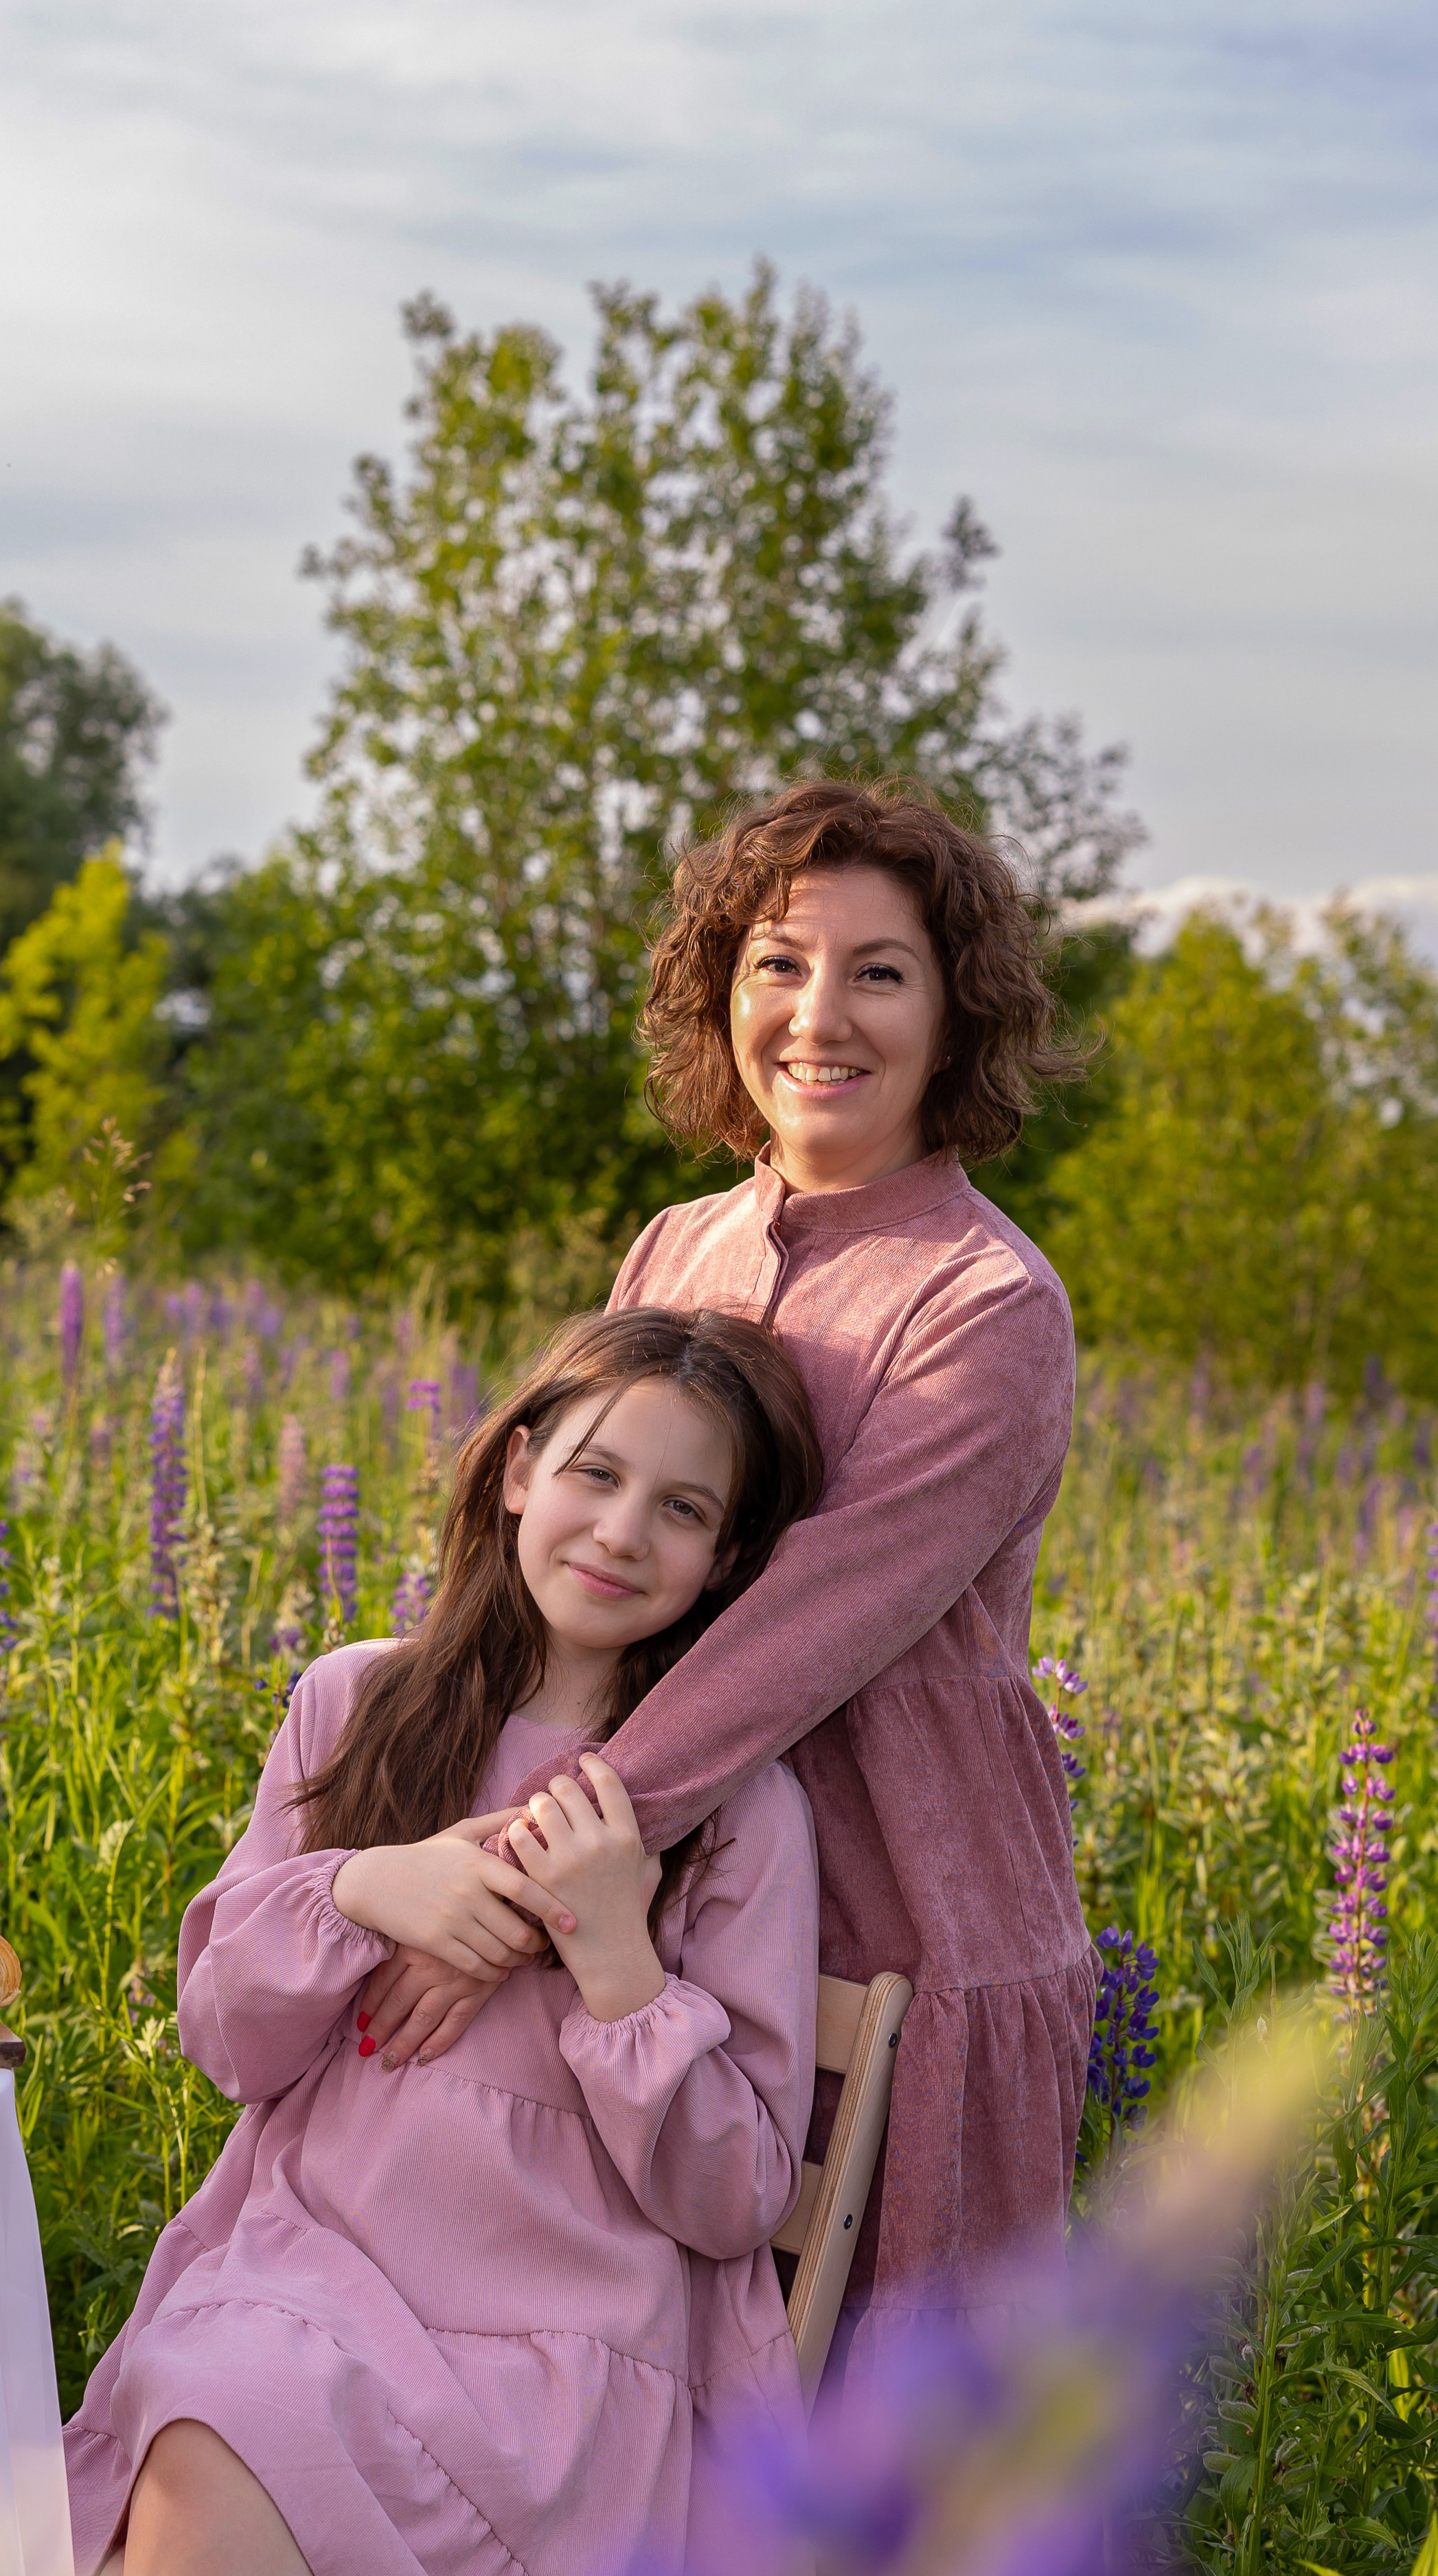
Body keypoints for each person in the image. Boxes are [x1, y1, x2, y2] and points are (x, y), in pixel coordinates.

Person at [361, 778, 1097, 2367]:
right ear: (723, 990)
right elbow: (569, 1549)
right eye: (778, 961)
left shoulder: (990, 1301)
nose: (818, 1015)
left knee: (856, 2443)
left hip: (895, 1908)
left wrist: (513, 1877)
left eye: (879, 971)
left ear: (956, 1011)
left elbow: (798, 1631)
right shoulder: (676, 1243)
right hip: (637, 1889)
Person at [64, 1307, 826, 2576]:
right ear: (519, 1469)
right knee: (217, 2405)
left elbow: (734, 2196)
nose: (624, 1532)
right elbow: (227, 2045)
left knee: (229, 2424)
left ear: (729, 1556)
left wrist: (616, 1963)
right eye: (595, 1474)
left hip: (557, 2347)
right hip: (311, 2271)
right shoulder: (355, 1702)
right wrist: (365, 1886)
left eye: (684, 1511)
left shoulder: (740, 1810)